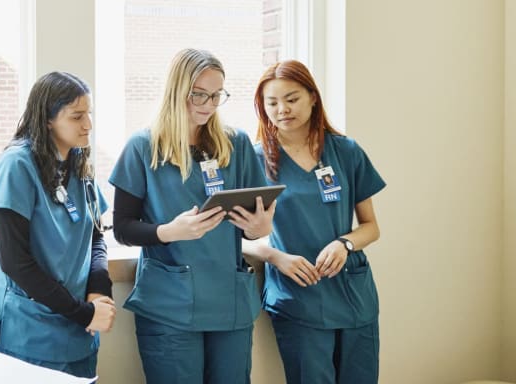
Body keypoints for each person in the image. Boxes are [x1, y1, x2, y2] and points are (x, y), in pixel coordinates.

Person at [109, 48, 274, 383]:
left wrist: (259, 228)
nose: (208, 104)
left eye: (216, 95)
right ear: (176, 90)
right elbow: (123, 229)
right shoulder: (143, 147)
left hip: (229, 302)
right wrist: (169, 232)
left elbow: (251, 223)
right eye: (199, 94)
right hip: (170, 304)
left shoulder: (235, 144)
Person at [245, 59, 385, 384]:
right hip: (298, 296)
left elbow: (371, 227)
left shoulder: (346, 152)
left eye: (291, 99)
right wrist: (274, 256)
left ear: (312, 97)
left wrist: (344, 243)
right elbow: (233, 236)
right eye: (272, 103)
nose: (282, 109)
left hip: (353, 293)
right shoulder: (253, 161)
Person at [0, 71, 115, 379]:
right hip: (31, 330)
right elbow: (15, 263)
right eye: (77, 116)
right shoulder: (16, 166)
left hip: (80, 328)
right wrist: (84, 313)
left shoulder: (78, 162)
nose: (89, 125)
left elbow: (95, 235)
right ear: (47, 120)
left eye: (90, 114)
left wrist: (98, 290)